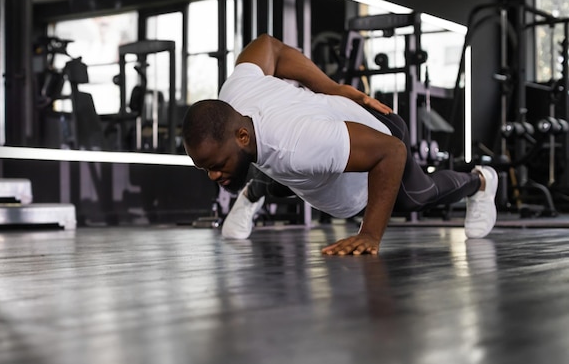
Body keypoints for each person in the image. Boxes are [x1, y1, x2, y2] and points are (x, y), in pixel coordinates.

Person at [182, 34, 498, 256]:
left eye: (216, 165)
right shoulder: (234, 97)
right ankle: (253, 193)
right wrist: (332, 88)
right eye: (205, 167)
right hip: (319, 140)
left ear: (242, 136)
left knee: (417, 197)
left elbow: (391, 151)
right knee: (279, 175)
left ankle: (481, 181)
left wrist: (369, 235)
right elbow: (269, 46)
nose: (211, 175)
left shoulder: (299, 145)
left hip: (380, 137)